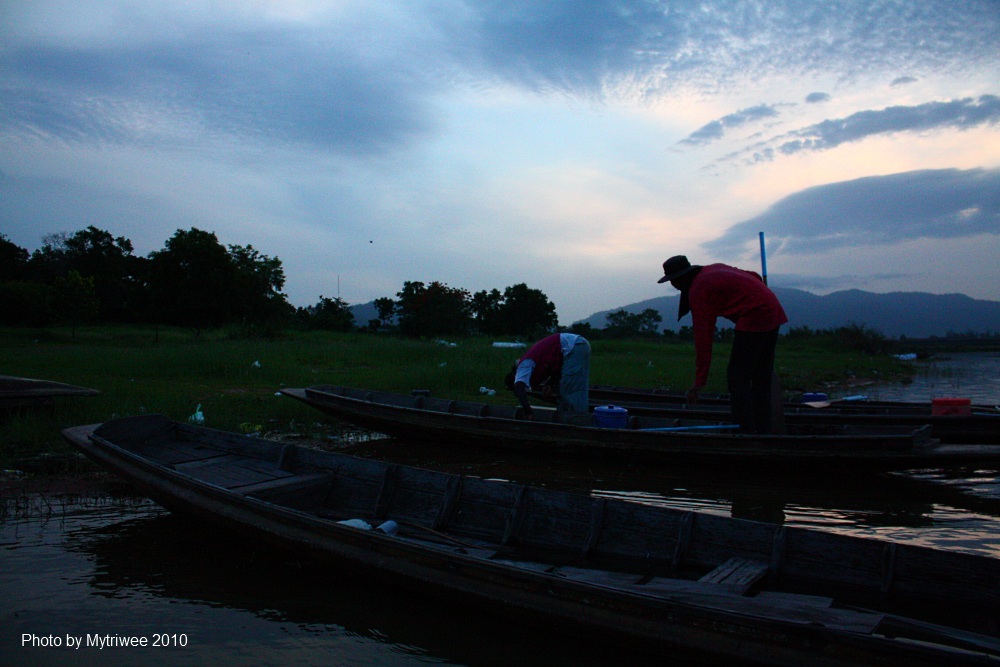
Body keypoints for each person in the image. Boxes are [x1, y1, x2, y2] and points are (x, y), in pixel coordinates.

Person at [657, 255, 787, 433]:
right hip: (773, 308)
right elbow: (754, 275)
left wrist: (699, 382)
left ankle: (746, 431)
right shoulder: (712, 268)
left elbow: (703, 338)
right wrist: (758, 293)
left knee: (737, 376)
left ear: (682, 277)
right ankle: (763, 428)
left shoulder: (699, 290)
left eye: (674, 281)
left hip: (756, 314)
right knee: (760, 377)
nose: (673, 285)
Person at [504, 333, 591, 419]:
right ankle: (569, 418)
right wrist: (550, 383)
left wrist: (528, 412)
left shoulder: (524, 365)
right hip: (576, 345)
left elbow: (519, 387)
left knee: (569, 391)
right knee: (569, 388)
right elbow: (556, 369)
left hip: (573, 346)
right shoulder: (534, 362)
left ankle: (575, 420)